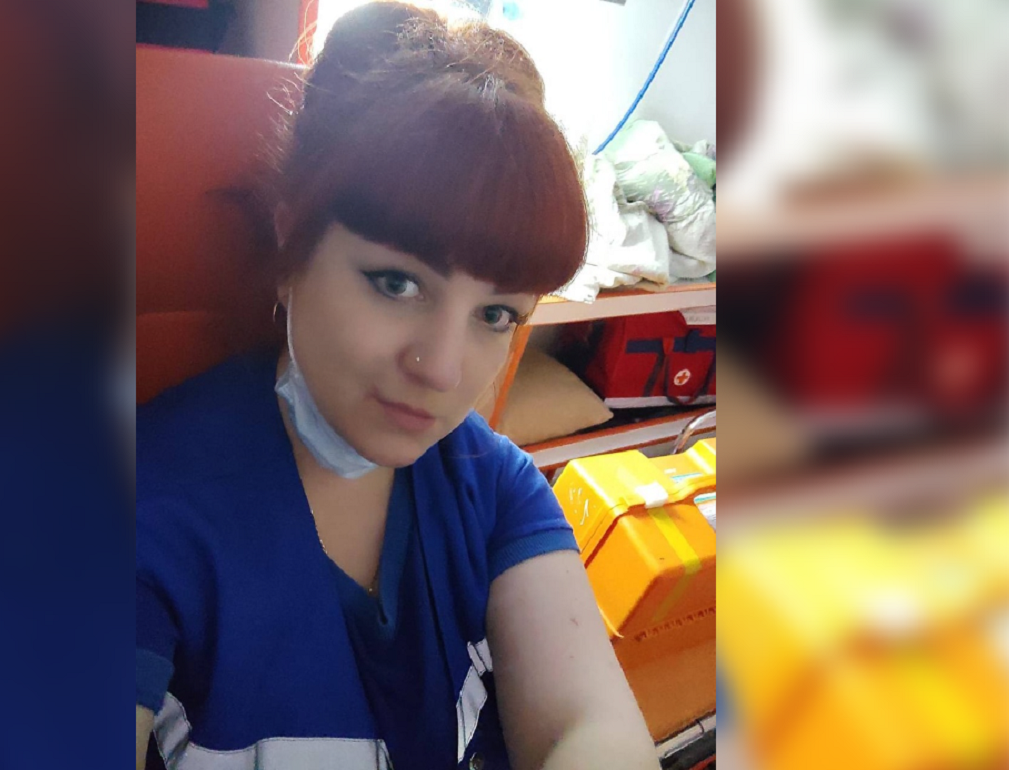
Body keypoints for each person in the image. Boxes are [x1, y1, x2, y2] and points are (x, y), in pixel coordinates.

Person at [135, 3, 659, 768]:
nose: (442, 369)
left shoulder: (495, 488)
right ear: (291, 239)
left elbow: (584, 724)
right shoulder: (144, 502)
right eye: (396, 282)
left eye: (495, 314)